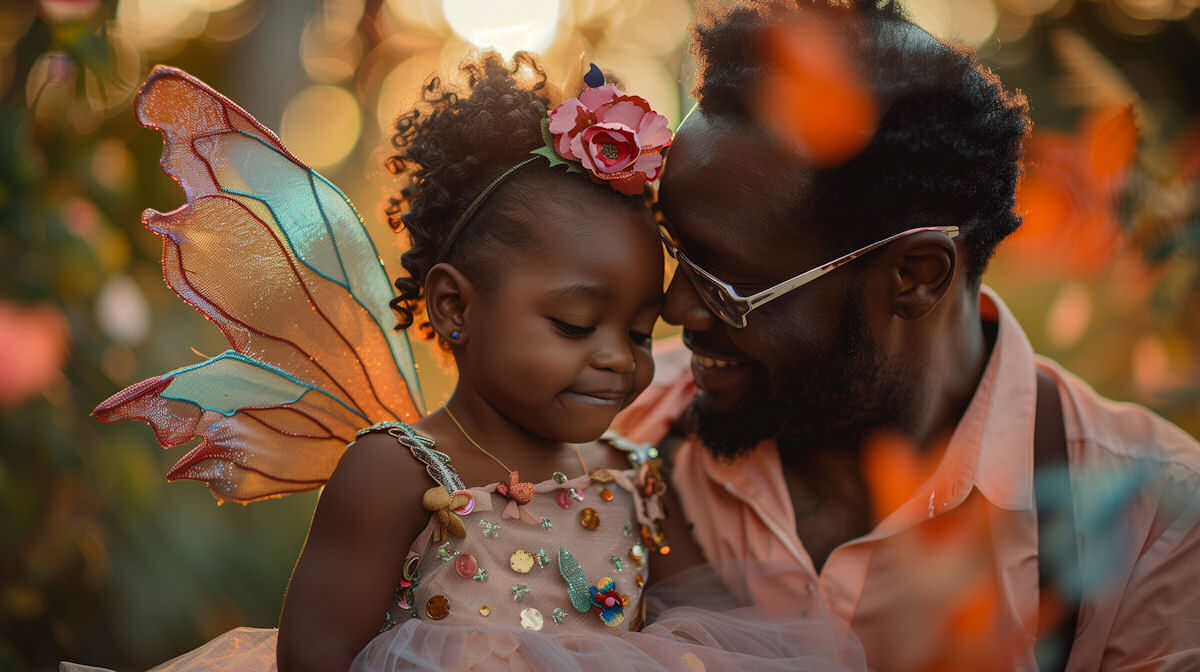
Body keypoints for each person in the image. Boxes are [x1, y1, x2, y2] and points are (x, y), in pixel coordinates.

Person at [83, 56, 864, 672]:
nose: (616, 361)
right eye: (572, 324)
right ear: (456, 308)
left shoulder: (635, 475)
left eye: (635, 333)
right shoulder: (398, 470)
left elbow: (710, 625)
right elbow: (315, 652)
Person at [614, 1, 1200, 671]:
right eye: (674, 251)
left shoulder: (1158, 526)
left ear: (916, 275)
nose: (674, 308)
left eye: (729, 283)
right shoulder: (611, 431)